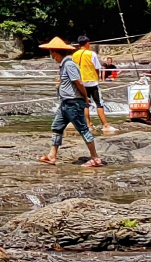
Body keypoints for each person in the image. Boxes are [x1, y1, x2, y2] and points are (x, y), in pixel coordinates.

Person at [37, 37, 101, 167]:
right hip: (65, 103)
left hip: (73, 103)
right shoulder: (64, 65)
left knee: (83, 129)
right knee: (57, 127)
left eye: (51, 53)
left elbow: (79, 82)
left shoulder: (69, 64)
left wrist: (84, 97)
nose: (52, 56)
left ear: (55, 52)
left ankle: (95, 158)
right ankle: (51, 156)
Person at [74, 34, 115, 137]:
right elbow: (97, 67)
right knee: (99, 103)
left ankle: (88, 125)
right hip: (92, 81)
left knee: (85, 104)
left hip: (81, 82)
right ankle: (105, 125)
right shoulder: (91, 54)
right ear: (87, 43)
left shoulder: (74, 55)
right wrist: (97, 77)